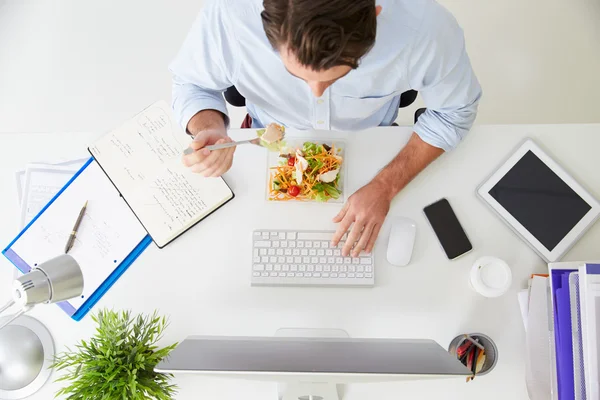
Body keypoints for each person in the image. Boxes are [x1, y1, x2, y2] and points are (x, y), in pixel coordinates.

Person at [170, 0, 482, 258]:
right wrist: (207, 124)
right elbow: (192, 84)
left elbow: (454, 112)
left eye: (337, 77)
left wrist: (386, 186)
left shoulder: (426, 30)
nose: (316, 94)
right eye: (297, 76)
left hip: (373, 148)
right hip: (263, 143)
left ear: (374, 14)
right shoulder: (228, 18)